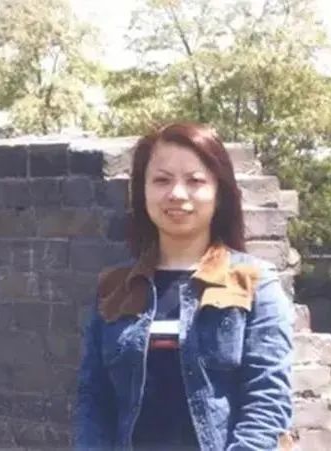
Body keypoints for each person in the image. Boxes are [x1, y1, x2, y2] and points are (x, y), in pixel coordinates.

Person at [74, 122, 294, 450]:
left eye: (195, 181)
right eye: (162, 180)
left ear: (219, 192)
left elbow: (268, 400)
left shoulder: (253, 281)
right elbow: (93, 399)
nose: (177, 194)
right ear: (142, 191)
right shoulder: (115, 288)